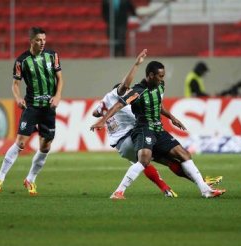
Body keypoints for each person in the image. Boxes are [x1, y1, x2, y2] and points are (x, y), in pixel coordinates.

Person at [93, 49, 222, 198]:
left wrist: (172, 118)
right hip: (141, 130)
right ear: (151, 75)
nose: (162, 79)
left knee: (182, 154)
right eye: (160, 76)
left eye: (163, 76)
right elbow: (118, 104)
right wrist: (102, 121)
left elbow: (158, 105)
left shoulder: (160, 86)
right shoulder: (136, 92)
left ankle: (204, 189)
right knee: (145, 160)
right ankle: (119, 191)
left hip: (156, 130)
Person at [0, 27, 64, 196]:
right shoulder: (22, 61)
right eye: (38, 40)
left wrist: (57, 96)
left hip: (49, 108)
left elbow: (60, 79)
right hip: (32, 106)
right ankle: (0, 178)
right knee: (20, 142)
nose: (42, 43)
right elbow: (15, 84)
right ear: (31, 41)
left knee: (45, 146)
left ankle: (31, 179)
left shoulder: (52, 56)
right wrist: (18, 98)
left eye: (44, 39)